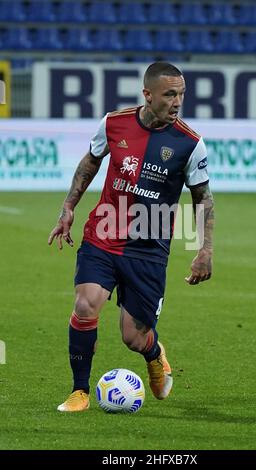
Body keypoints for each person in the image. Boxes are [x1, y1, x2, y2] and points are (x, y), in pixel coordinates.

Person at [48, 62, 214, 412]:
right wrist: (68, 207)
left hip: (149, 248)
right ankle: (80, 391)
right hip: (103, 234)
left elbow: (203, 198)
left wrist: (205, 250)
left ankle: (154, 354)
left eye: (181, 94)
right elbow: (91, 162)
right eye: (170, 94)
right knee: (85, 304)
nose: (177, 101)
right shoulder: (113, 123)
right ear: (148, 95)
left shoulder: (190, 143)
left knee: (133, 336)